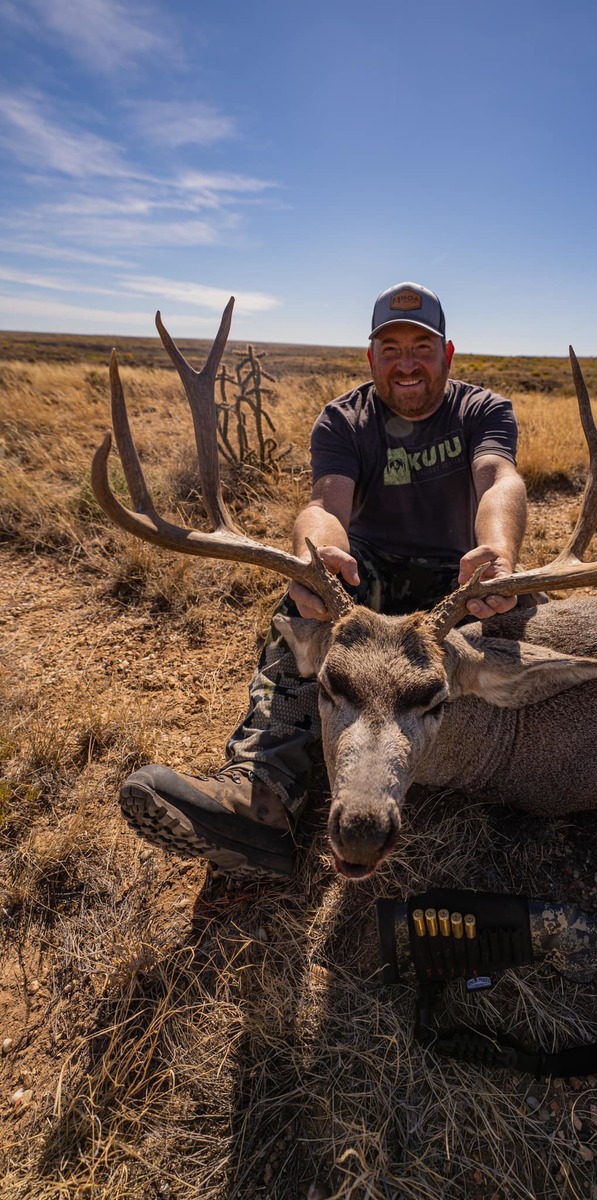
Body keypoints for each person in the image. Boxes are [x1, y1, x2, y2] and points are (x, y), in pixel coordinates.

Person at [120, 283, 528, 881]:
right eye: (391, 348)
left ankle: (502, 771)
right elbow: (324, 503)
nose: (407, 363)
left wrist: (498, 552)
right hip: (368, 579)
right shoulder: (344, 418)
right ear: (371, 358)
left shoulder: (482, 410)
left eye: (422, 346)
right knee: (305, 612)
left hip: (460, 582)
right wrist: (318, 555)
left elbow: (500, 481)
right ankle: (263, 794)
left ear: (448, 354)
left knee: (518, 645)